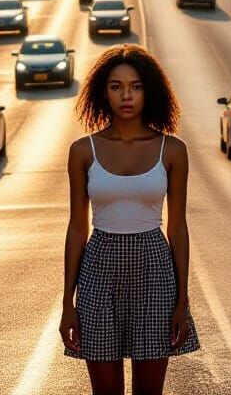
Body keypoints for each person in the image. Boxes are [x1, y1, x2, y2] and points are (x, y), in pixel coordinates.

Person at [60, 45, 199, 392]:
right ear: (102, 92)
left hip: (155, 271)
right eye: (116, 86)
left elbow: (178, 228)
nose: (126, 96)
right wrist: (67, 302)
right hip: (98, 272)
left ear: (149, 91)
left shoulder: (174, 151)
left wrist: (182, 300)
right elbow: (77, 228)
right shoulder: (82, 151)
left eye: (136, 87)